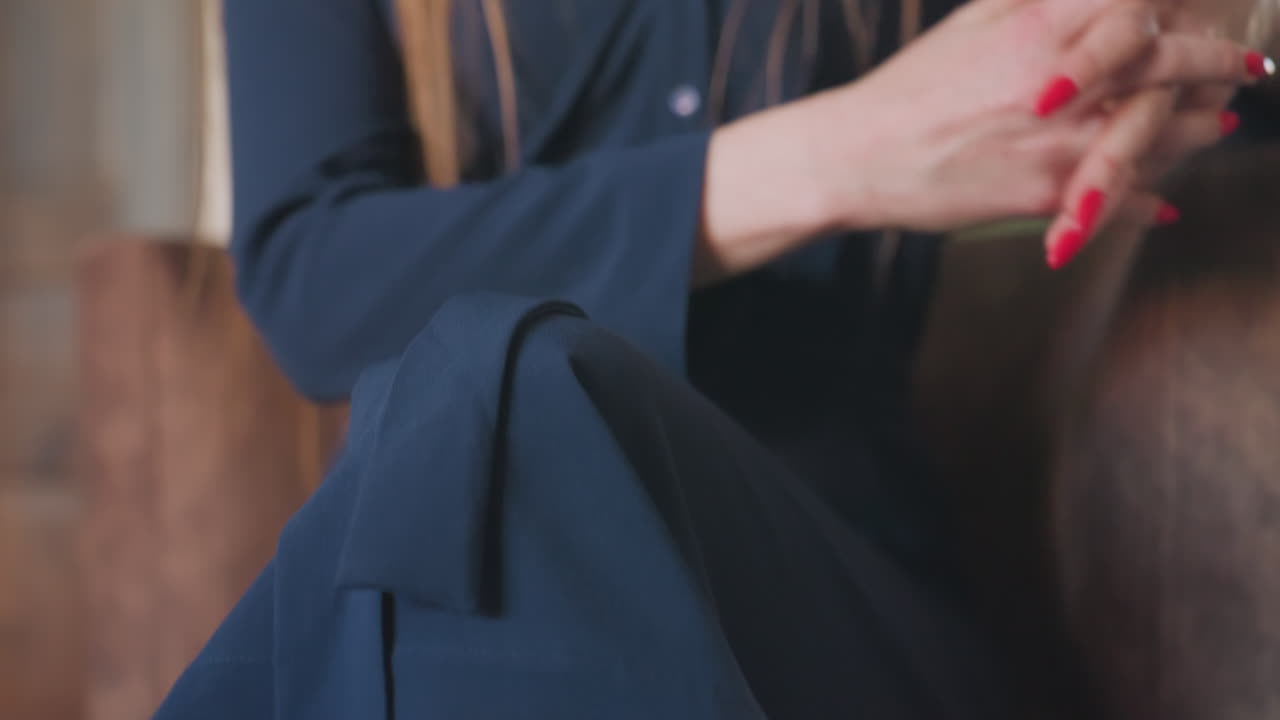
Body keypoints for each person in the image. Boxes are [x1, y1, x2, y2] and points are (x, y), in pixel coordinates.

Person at [156, 1, 1272, 717]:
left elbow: (1203, 72)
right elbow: (319, 282)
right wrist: (843, 152)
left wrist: (1219, 29)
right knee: (503, 401)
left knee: (513, 398)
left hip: (827, 605)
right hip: (444, 562)